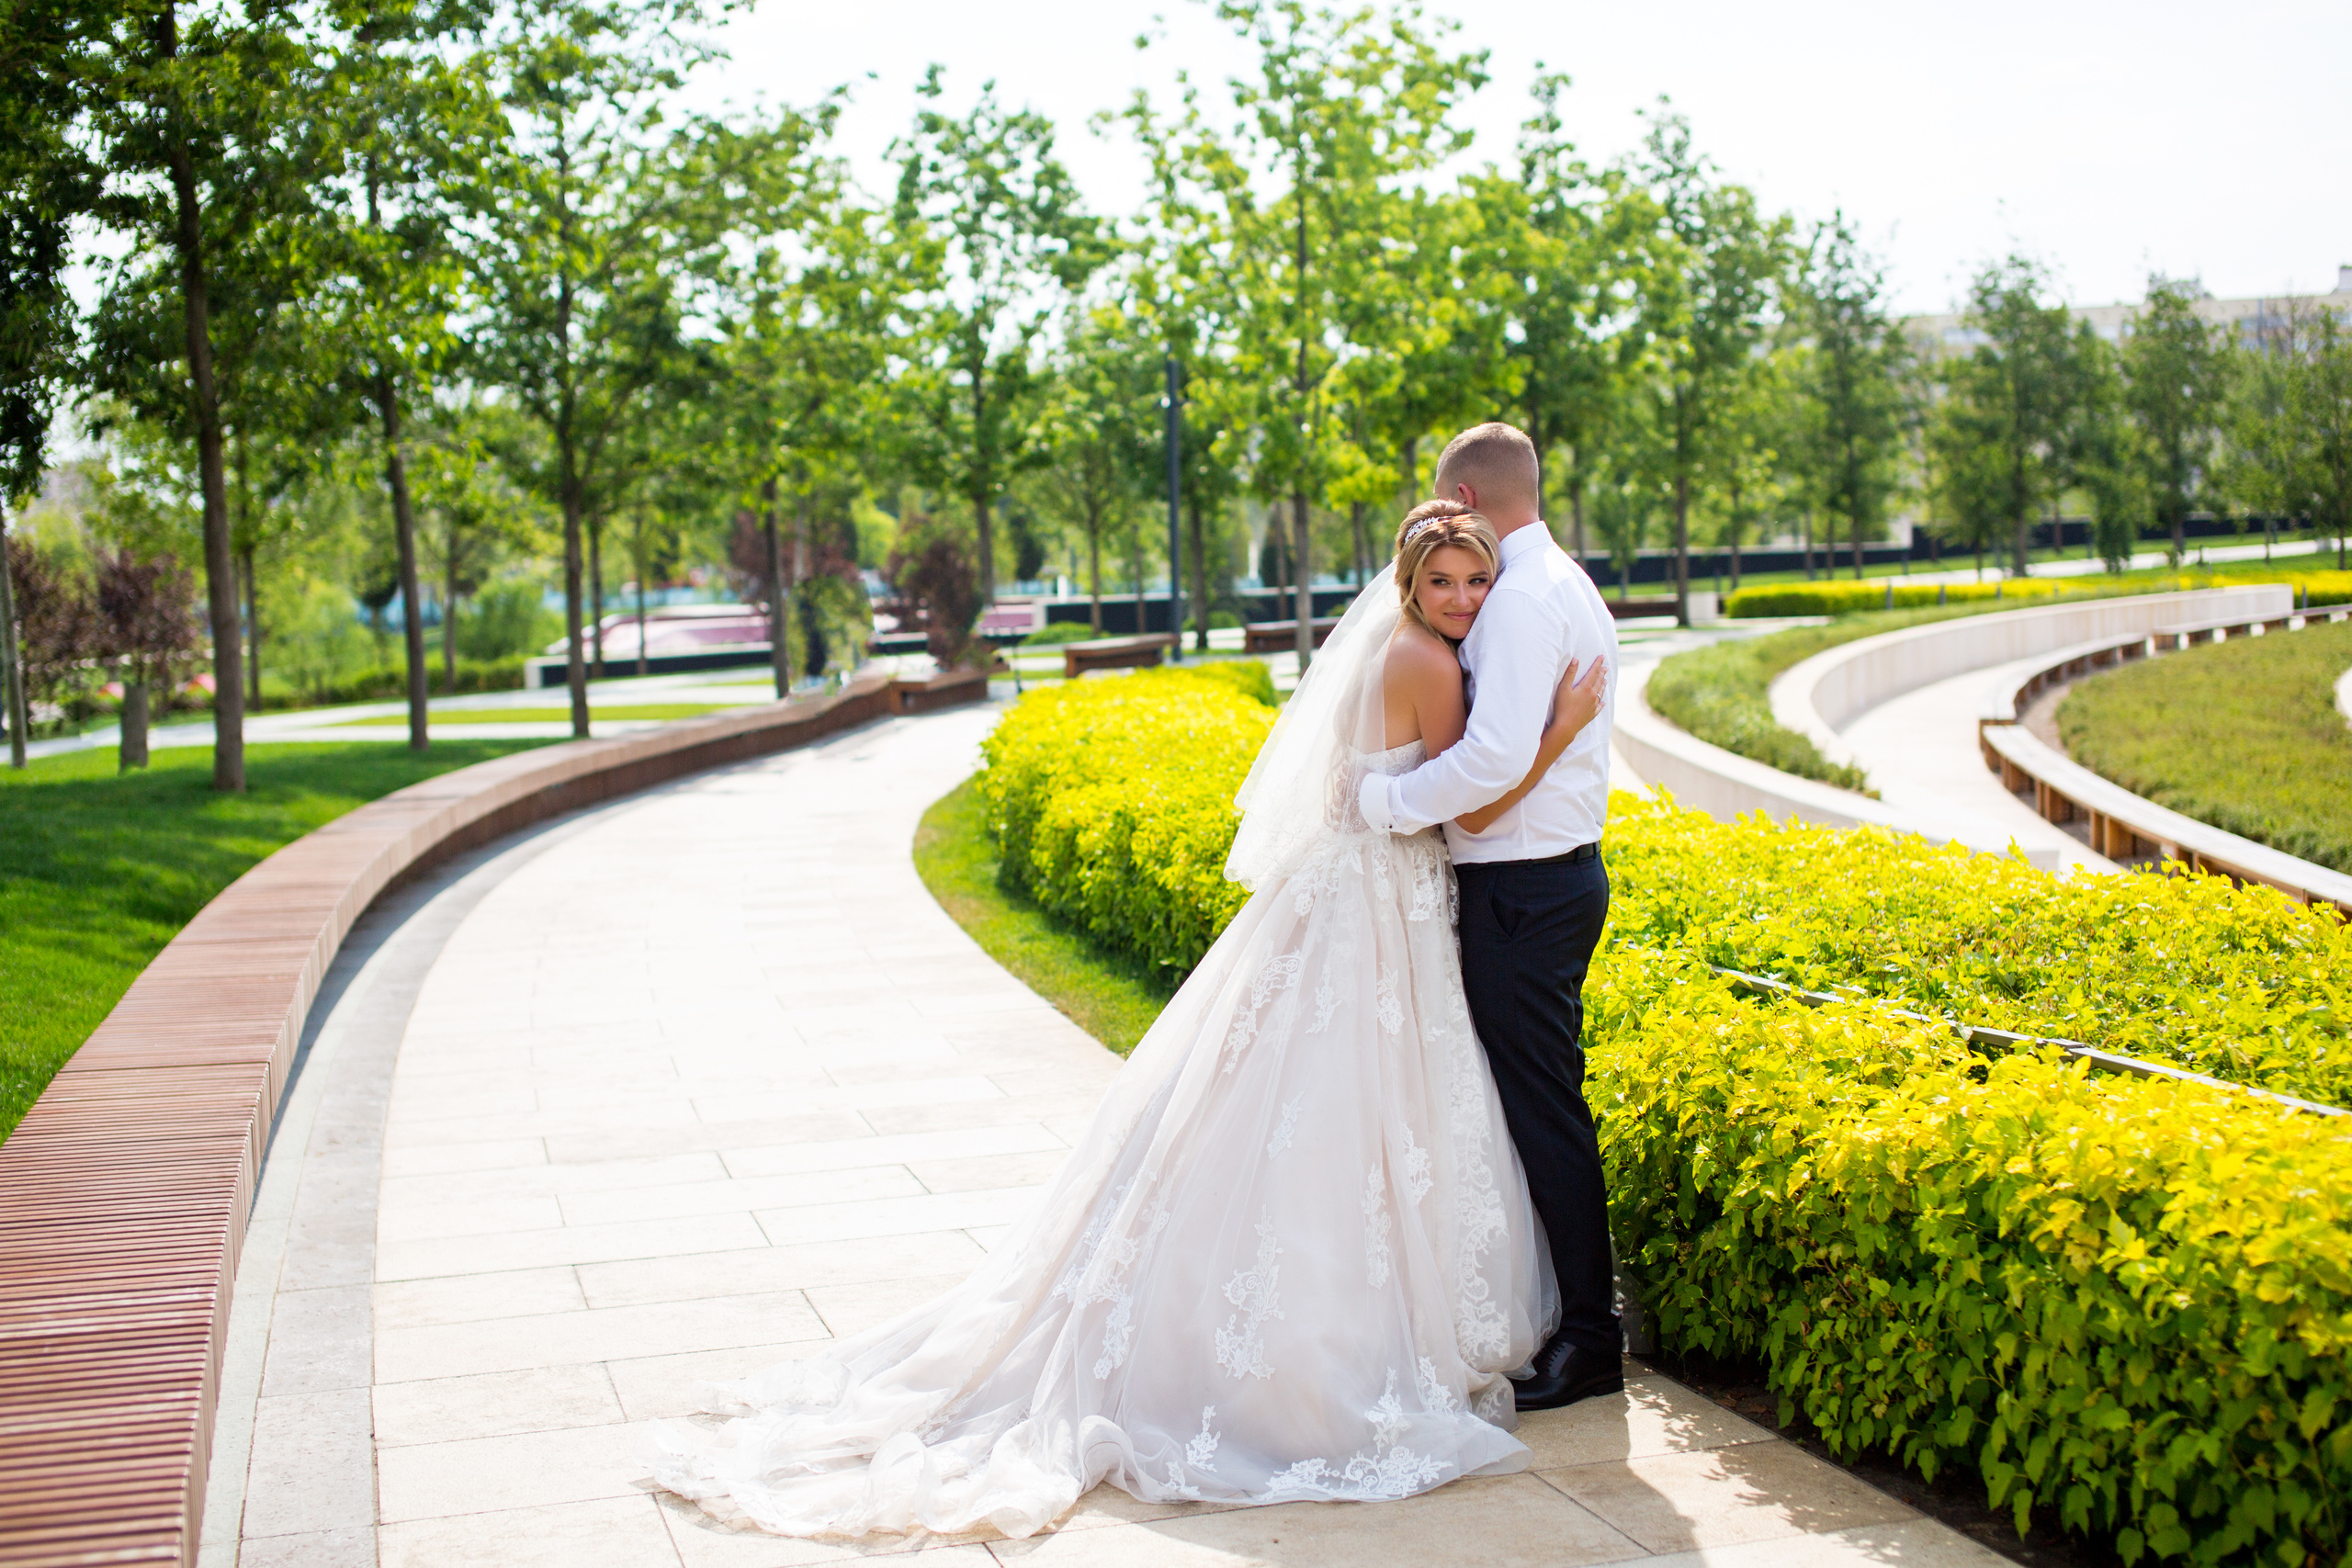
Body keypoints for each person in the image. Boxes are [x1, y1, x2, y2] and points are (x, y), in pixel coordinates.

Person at [648, 500, 1607, 1541]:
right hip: (1381, 899)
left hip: (1366, 894)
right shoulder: (1424, 661)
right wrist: (1561, 724)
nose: (1463, 599)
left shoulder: (1399, 647)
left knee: (1329, 1099)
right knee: (1354, 1103)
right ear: (1406, 587)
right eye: (1443, 583)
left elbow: (1371, 787)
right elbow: (1460, 805)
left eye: (1475, 581)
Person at [1357, 422, 1624, 1413]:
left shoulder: (1515, 603)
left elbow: (1484, 770)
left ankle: (1592, 1335)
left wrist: (1379, 806)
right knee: (1535, 1104)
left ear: (1462, 496)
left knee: (1542, 1111)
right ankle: (1580, 1318)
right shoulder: (1565, 580)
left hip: (1521, 886)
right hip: (1548, 879)